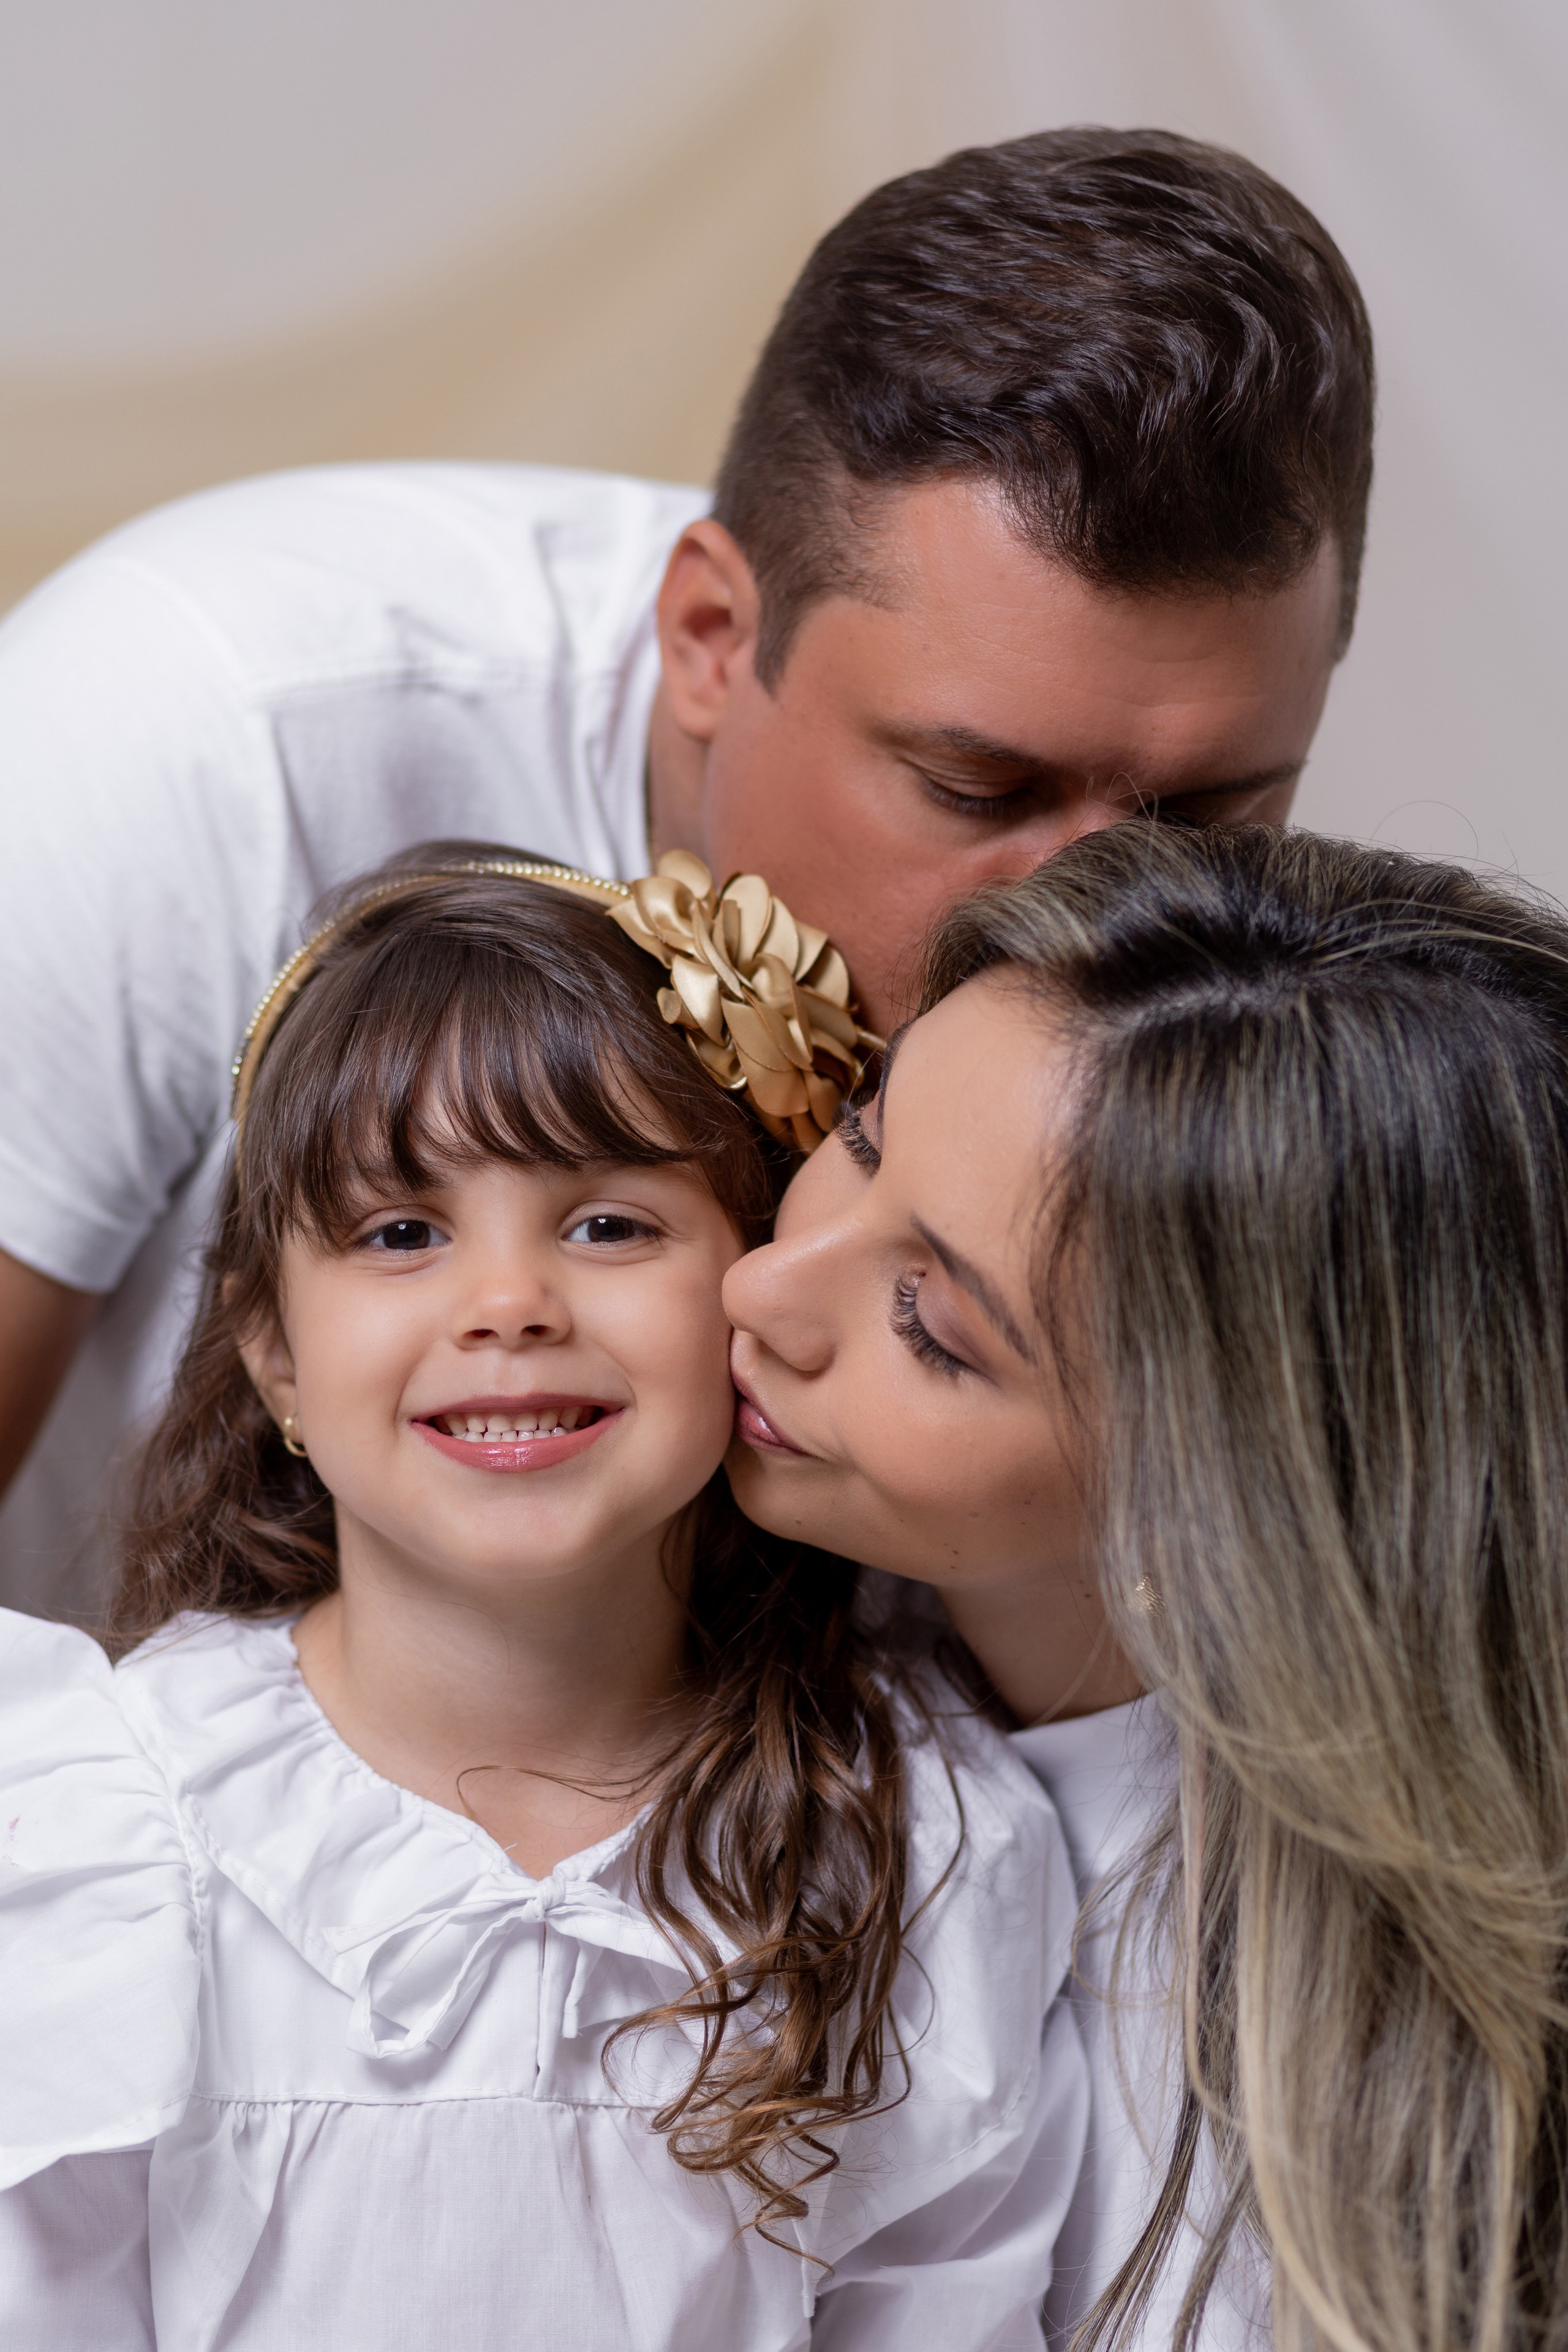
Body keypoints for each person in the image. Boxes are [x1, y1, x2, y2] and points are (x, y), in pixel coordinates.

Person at [0, 125, 1374, 1614]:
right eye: (975, 790)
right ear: (711, 638)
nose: (1085, 930)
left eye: (1205, 817)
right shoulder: (197, 731)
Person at [0, 852, 1086, 2351]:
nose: (508, 1303)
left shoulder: (924, 1843)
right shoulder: (94, 1829)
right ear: (275, 1356)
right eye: (401, 1233)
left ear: (750, 1289)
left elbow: (944, 2307)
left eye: (607, 1226)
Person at [723, 820, 1568, 2351]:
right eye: (859, 1133)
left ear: (1229, 1498)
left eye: (928, 1325)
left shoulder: (1283, 2180)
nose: (757, 1288)